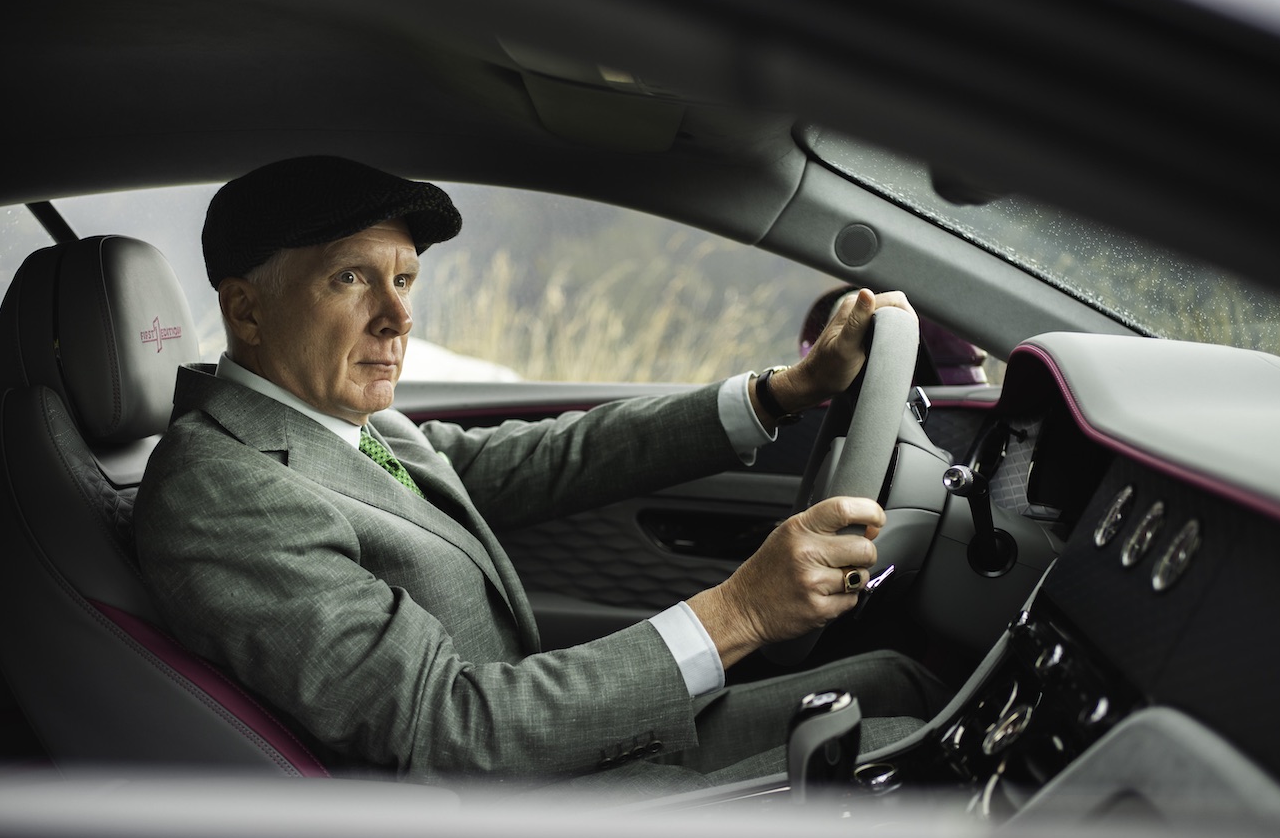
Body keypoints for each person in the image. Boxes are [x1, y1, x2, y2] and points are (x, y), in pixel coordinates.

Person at [135, 155, 950, 796]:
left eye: (405, 279)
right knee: (902, 761)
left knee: (896, 686)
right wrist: (739, 611)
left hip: (550, 754)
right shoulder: (224, 488)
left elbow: (547, 458)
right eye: (352, 278)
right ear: (245, 310)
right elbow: (443, 732)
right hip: (506, 814)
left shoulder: (339, 421)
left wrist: (782, 393)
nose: (399, 316)